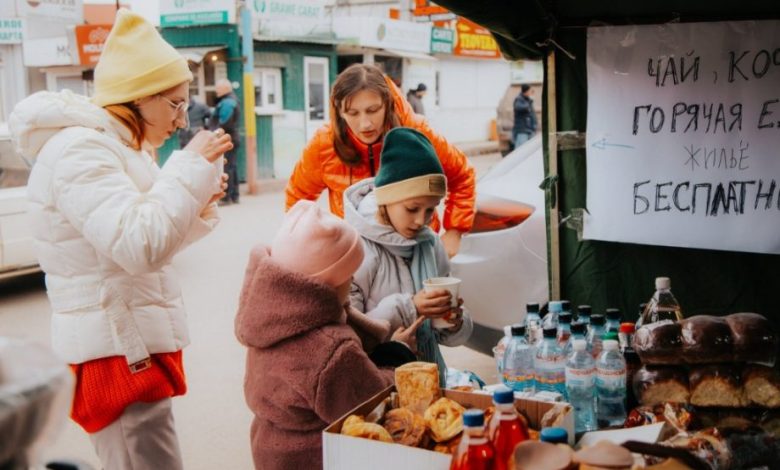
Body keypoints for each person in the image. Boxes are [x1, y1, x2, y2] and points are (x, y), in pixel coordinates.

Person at [9, 9, 231, 469]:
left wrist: (198, 203)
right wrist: (188, 168)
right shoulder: (81, 150)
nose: (180, 118)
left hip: (128, 342)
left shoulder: (120, 149)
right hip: (115, 350)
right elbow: (139, 246)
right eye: (173, 103)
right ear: (136, 97)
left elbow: (145, 241)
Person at [235, 200, 420, 470]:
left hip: (272, 450)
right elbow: (371, 403)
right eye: (349, 275)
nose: (353, 280)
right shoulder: (330, 350)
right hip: (319, 457)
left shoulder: (269, 321)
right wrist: (399, 355)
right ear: (329, 283)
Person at [285, 63, 475, 258]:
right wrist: (316, 245)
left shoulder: (416, 132)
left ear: (387, 103)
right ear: (340, 112)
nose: (365, 123)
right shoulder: (323, 144)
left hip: (417, 252)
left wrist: (455, 230)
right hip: (356, 259)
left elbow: (462, 175)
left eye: (373, 110)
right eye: (353, 113)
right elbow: (298, 200)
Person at [345, 127, 473, 386]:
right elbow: (348, 335)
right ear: (386, 199)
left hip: (430, 381)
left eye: (430, 210)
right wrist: (409, 307)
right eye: (412, 208)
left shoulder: (430, 244)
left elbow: (447, 337)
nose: (421, 221)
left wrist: (454, 321)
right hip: (378, 385)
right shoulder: (354, 248)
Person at [212, 78, 240, 204]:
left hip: (227, 138)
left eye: (217, 87)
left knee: (226, 167)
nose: (216, 90)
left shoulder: (228, 102)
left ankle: (226, 197)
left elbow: (224, 122)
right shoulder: (231, 100)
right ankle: (235, 195)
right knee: (232, 166)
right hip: (232, 137)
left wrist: (215, 133)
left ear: (224, 88)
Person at [512, 84, 537, 149]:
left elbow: (532, 114)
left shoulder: (527, 100)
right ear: (526, 91)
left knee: (529, 150)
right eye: (530, 91)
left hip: (529, 129)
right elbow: (518, 107)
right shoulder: (519, 99)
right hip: (522, 130)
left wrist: (534, 125)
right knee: (521, 149)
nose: (531, 93)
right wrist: (530, 102)